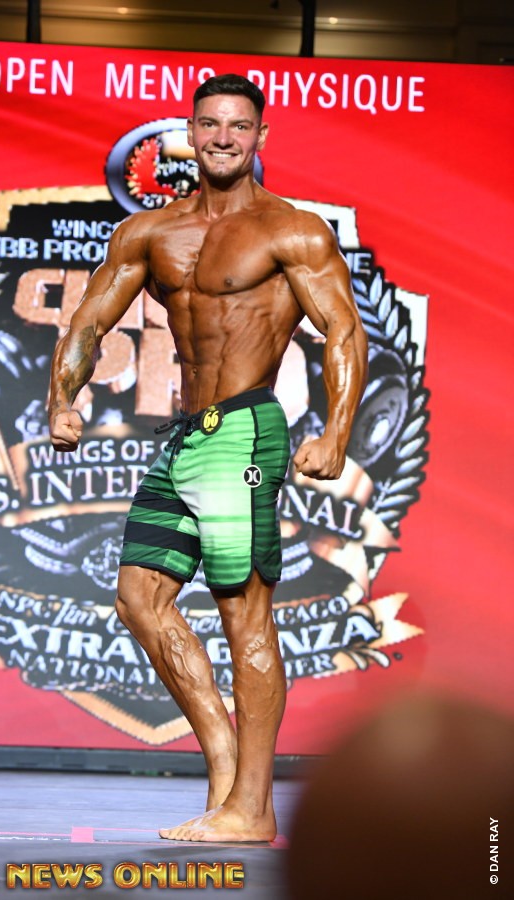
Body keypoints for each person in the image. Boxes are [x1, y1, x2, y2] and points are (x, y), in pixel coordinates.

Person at [49, 74, 368, 842]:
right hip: (187, 435)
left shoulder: (292, 231)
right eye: (210, 124)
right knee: (139, 598)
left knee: (242, 609)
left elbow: (343, 330)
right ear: (188, 134)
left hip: (246, 433)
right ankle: (224, 758)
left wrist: (336, 433)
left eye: (239, 125)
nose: (224, 137)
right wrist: (62, 398)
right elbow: (89, 321)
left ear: (261, 137)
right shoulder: (149, 233)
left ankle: (252, 809)